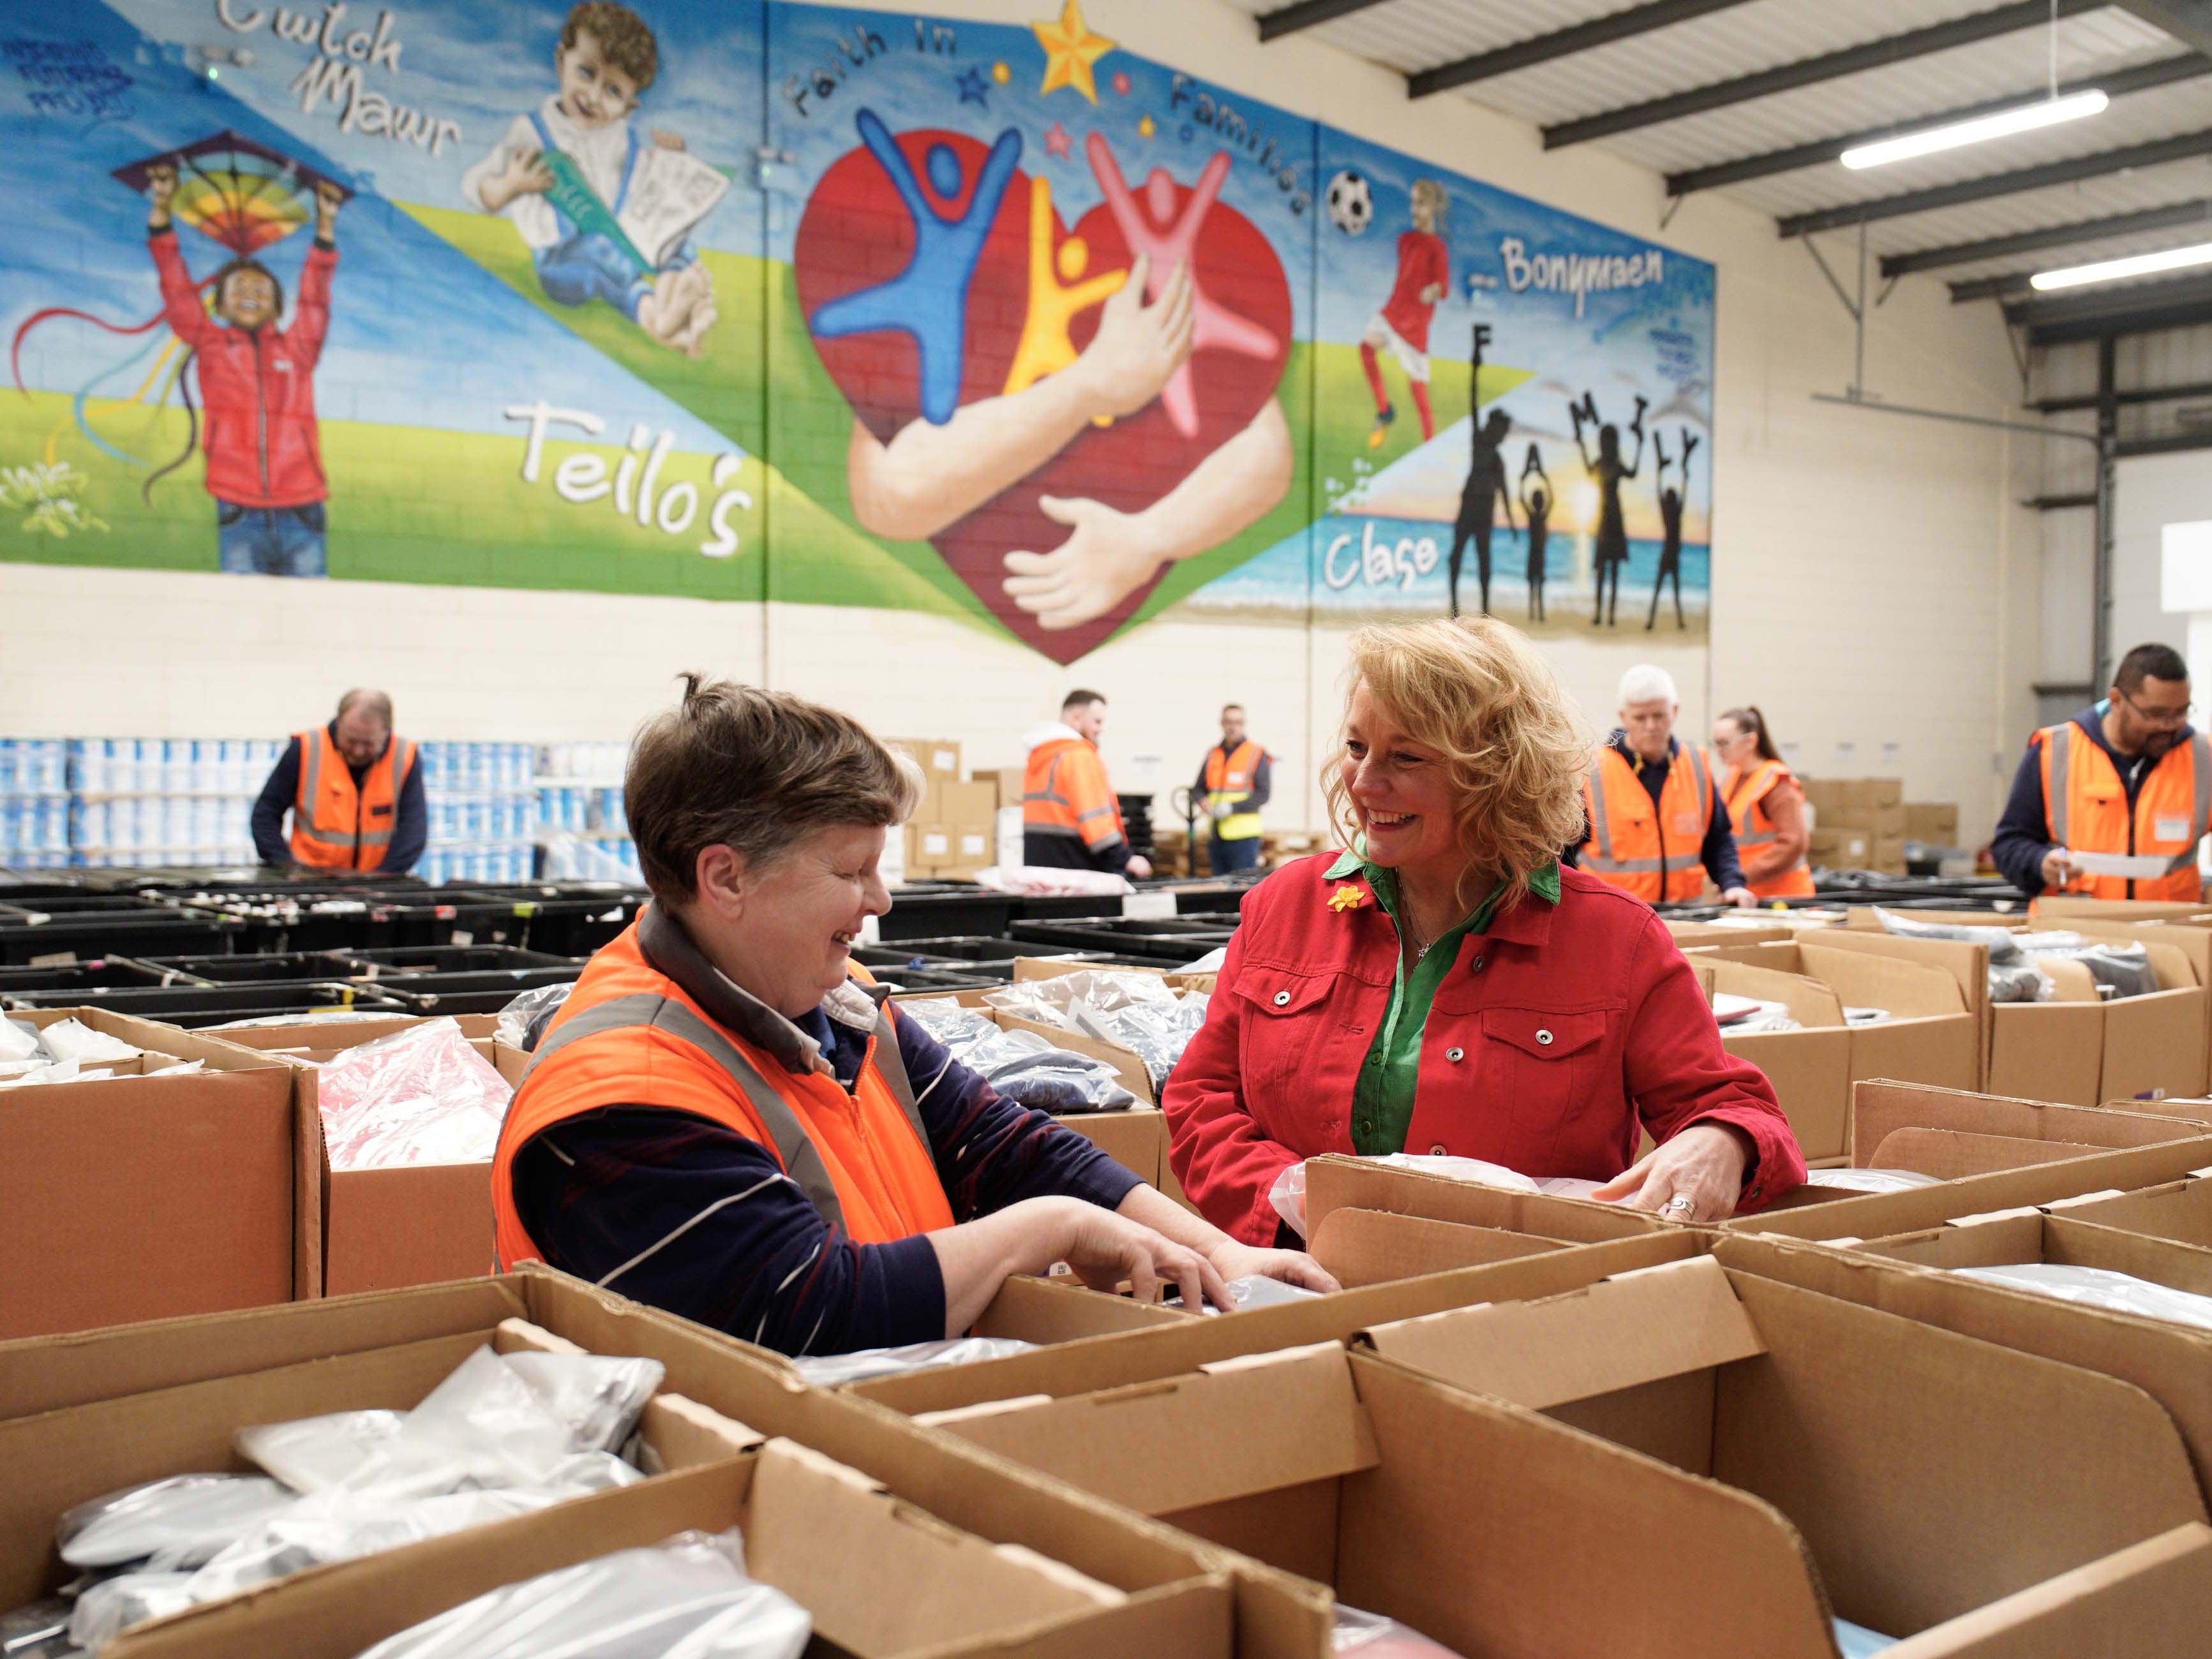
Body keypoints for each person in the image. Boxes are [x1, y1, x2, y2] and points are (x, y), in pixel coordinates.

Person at [491, 678, 1333, 1355]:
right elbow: (812, 1313)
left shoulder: (831, 1003)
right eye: (853, 870)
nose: (880, 900)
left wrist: (1219, 1252)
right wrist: (1048, 1230)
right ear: (726, 878)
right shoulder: (624, 1097)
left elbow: (1005, 1146)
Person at [1162, 618, 1803, 1244]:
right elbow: (1202, 1095)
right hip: (1303, 1287)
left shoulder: (1616, 940)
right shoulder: (1285, 906)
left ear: (1501, 773)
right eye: (1357, 748)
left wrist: (1723, 1139)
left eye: (1405, 756)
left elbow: (1736, 1109)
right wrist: (1292, 1211)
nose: (1362, 781)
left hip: (1517, 1308)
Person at [462, 1, 717, 354]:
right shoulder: (533, 132)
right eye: (586, 72)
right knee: (598, 251)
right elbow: (480, 189)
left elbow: (653, 204)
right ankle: (654, 316)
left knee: (676, 238)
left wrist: (670, 168)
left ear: (630, 106)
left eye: (614, 91)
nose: (594, 96)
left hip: (624, 248)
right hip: (564, 264)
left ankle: (682, 296)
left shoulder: (625, 143)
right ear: (560, 62)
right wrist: (511, 186)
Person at [146, 161, 341, 579]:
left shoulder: (298, 348)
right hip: (238, 508)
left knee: (314, 617)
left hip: (302, 506)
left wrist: (324, 228)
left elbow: (315, 298)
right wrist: (162, 211)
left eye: (260, 290)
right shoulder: (210, 343)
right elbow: (177, 288)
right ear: (219, 304)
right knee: (236, 615)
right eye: (239, 289)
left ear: (276, 306)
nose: (250, 294)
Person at [1991, 643, 2211, 900]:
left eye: (2180, 713)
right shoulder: (2055, 751)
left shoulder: (2203, 757)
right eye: (2155, 714)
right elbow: (2009, 844)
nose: (2169, 726)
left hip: (2171, 931)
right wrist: (2039, 862)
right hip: (2075, 931)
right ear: (2117, 701)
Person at [1573, 665, 1754, 909]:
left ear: (1675, 711)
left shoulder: (1696, 765)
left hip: (1684, 916)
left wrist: (1732, 884)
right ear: (1623, 716)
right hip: (1615, 918)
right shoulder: (1592, 771)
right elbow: (1565, 854)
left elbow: (1718, 838)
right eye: (1640, 718)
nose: (1650, 726)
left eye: (1659, 716)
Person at [250, 690, 426, 874]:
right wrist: (284, 864)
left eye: (368, 744)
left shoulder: (404, 758)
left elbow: (413, 830)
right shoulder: (307, 749)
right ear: (339, 722)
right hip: (310, 881)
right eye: (351, 741)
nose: (358, 752)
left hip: (377, 880)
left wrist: (384, 878)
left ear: (387, 732)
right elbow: (266, 813)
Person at [1023, 690, 1152, 877]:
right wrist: (1126, 859)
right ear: (1076, 717)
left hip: (1043, 874)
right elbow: (1096, 821)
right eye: (1097, 722)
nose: (1100, 729)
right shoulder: (1079, 756)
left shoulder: (1043, 757)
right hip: (1079, 876)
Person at [1359, 178, 1448, 449]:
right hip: (1393, 312)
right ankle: (1385, 411)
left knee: (1417, 384)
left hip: (1413, 326)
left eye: (1420, 203)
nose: (1414, 208)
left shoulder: (1437, 248)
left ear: (1432, 207)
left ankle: (1429, 443)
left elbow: (1442, 286)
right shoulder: (1405, 240)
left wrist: (1432, 291)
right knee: (1366, 348)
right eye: (1412, 202)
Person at [1712, 706, 1812, 900]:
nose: (1718, 751)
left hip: (1783, 898)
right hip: (1745, 894)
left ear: (1750, 742)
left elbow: (1794, 843)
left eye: (1725, 743)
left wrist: (1740, 878)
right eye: (1715, 743)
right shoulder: (1729, 779)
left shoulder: (1776, 783)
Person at [1571, 392, 1644, 629]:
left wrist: (1641, 444)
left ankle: (1609, 615)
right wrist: (1581, 445)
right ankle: (1600, 613)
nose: (1605, 444)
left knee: (1612, 573)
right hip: (1604, 520)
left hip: (1614, 520)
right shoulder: (1601, 465)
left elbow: (1633, 473)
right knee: (1603, 570)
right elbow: (1588, 468)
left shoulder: (1614, 465)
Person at [1447, 407, 1515, 620]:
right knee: (1457, 556)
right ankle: (1454, 607)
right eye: (1502, 430)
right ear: (1492, 427)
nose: (1504, 436)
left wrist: (1512, 521)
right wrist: (1474, 375)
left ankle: (1485, 610)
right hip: (1470, 508)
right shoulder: (1479, 444)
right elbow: (1474, 406)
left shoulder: (1498, 460)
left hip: (1485, 513)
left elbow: (1504, 490)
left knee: (1484, 560)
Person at [1195, 704, 1271, 875]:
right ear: (1222, 723)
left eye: (1237, 722)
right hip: (1216, 835)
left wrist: (1232, 808)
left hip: (1244, 838)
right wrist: (1202, 801)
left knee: (1241, 889)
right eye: (1228, 722)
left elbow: (1263, 794)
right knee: (1219, 888)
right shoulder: (1213, 754)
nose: (1232, 727)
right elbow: (1198, 789)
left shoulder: (1256, 754)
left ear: (1243, 724)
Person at [1646, 429, 1697, 632]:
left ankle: (1659, 621)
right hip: (1671, 555)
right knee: (1669, 592)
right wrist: (1684, 475)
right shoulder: (1673, 514)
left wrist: (1661, 473)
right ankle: (1664, 621)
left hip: (1669, 555)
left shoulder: (1671, 514)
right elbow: (1674, 491)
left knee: (1665, 591)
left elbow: (1662, 491)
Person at [1520, 445, 1552, 625]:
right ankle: (1535, 613)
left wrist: (1525, 480)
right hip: (1535, 555)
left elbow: (1523, 499)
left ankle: (1537, 613)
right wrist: (1543, 479)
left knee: (1537, 586)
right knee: (1536, 586)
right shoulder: (1536, 517)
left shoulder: (1538, 517)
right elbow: (1523, 500)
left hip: (1537, 555)